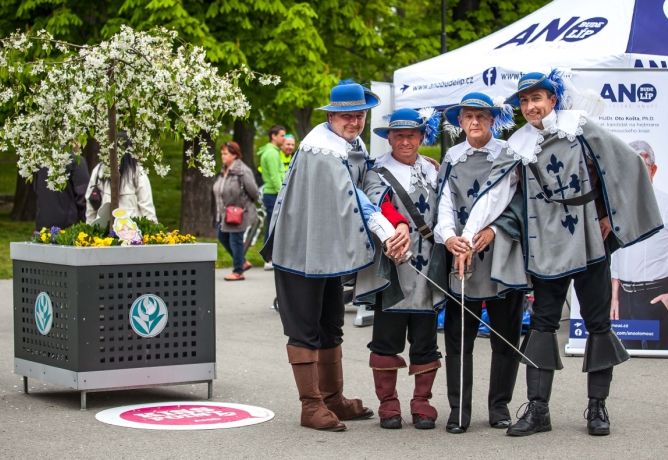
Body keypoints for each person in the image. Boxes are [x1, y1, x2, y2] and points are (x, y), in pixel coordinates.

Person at [460, 70, 663, 437]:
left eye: (536, 98)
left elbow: (626, 165)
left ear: (552, 100)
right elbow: (495, 195)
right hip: (545, 247)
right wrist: (469, 234)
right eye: (524, 101)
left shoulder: (581, 128)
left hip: (588, 241)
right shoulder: (518, 145)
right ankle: (538, 411)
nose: (530, 106)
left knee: (599, 325)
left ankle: (597, 408)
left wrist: (608, 216)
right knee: (541, 327)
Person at [260, 80, 397, 432]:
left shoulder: (350, 142)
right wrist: (382, 226)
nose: (354, 122)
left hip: (326, 248)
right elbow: (351, 195)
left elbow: (367, 177)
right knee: (305, 327)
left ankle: (333, 397)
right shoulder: (319, 149)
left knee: (331, 320)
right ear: (332, 115)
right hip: (301, 250)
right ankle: (311, 405)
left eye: (360, 116)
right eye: (347, 116)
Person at [435, 92, 530, 434]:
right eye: (467, 117)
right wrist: (450, 238)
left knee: (505, 335)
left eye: (481, 116)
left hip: (503, 255)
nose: (474, 122)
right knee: (459, 338)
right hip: (462, 256)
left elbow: (515, 201)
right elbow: (443, 202)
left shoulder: (510, 155)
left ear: (493, 119)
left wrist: (491, 229)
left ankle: (499, 406)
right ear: (459, 122)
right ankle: (459, 409)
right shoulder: (451, 157)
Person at [354, 108, 444, 430]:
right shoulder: (375, 171)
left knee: (425, 343)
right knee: (385, 342)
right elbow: (380, 202)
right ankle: (388, 405)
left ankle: (422, 404)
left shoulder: (434, 171)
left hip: (427, 271)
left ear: (422, 137)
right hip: (393, 269)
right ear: (388, 138)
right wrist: (400, 225)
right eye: (399, 135)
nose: (405, 141)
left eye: (412, 135)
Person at [610, 141, 668, 350]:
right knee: (627, 359)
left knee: (657, 362)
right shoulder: (616, 207)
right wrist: (614, 297)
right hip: (624, 298)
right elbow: (616, 253)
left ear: (653, 170)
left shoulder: (666, 205)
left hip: (656, 296)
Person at [212, 141, 260, 281]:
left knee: (235, 241)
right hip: (223, 212)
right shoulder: (224, 170)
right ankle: (242, 262)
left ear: (234, 155)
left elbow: (254, 193)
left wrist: (241, 204)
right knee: (222, 236)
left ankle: (238, 271)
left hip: (238, 213)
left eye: (225, 154)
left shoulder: (242, 171)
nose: (222, 156)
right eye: (222, 153)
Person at [85, 133, 157, 223]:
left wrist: (89, 227)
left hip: (105, 228)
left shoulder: (100, 170)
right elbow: (146, 206)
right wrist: (153, 229)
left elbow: (90, 205)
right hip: (131, 229)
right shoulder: (138, 172)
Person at [35, 153, 89, 230]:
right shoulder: (76, 160)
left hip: (43, 225)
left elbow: (37, 189)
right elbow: (84, 196)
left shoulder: (40, 161)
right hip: (69, 228)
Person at [258, 125, 286, 271]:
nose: (284, 138)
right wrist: (284, 194)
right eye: (282, 135)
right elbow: (276, 178)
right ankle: (269, 258)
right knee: (274, 227)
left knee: (273, 225)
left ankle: (270, 257)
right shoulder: (272, 154)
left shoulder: (272, 152)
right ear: (273, 136)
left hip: (273, 193)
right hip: (274, 194)